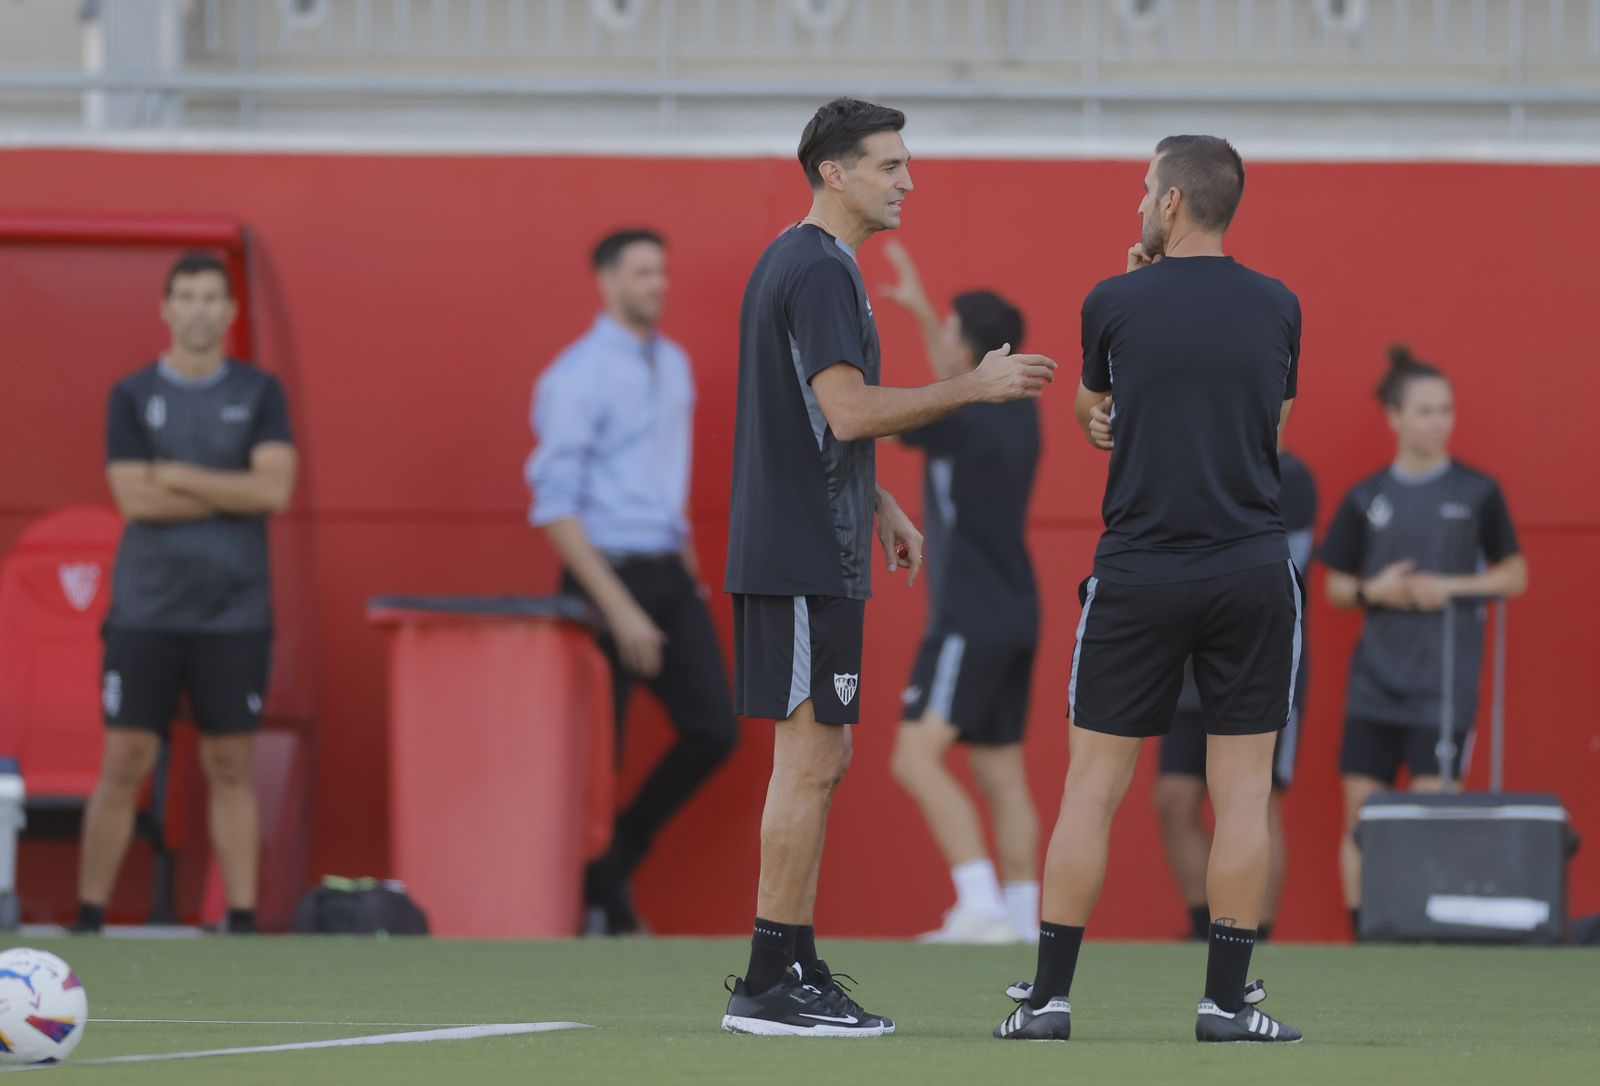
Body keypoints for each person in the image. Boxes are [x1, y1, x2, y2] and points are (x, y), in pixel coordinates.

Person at [719, 98, 1056, 1038]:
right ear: (835, 172)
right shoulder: (819, 269)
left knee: (825, 755)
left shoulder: (817, 266)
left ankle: (789, 960)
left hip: (814, 544)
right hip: (797, 555)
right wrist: (977, 384)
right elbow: (850, 412)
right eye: (890, 165)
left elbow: (815, 418)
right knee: (808, 758)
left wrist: (879, 503)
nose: (909, 180)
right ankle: (767, 982)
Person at [992, 136, 1304, 1044]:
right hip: (1248, 569)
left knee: (1092, 787)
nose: (1137, 202)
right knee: (1242, 793)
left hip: (1139, 572)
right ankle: (1227, 1005)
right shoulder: (1279, 304)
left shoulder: (1113, 299)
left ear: (1171, 204)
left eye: (1143, 189)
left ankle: (1047, 1002)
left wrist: (1129, 310)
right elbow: (1267, 431)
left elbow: (1102, 410)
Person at [526, 228, 739, 936]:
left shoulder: (673, 365)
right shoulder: (575, 376)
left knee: (715, 728)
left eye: (662, 273)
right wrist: (617, 612)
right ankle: (599, 903)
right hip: (600, 579)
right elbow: (554, 506)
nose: (658, 285)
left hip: (666, 573)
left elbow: (663, 488)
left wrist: (690, 578)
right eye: (643, 273)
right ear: (606, 280)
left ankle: (615, 862)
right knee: (596, 760)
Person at [79, 251, 297, 935]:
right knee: (124, 760)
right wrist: (220, 489)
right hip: (145, 609)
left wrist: (175, 474)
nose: (200, 310)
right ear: (166, 310)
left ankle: (239, 921)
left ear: (229, 313)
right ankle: (89, 920)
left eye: (212, 298)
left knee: (230, 762)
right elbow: (132, 497)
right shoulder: (131, 394)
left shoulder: (261, 393)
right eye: (187, 297)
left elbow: (274, 490)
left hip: (234, 612)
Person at [1320, 345, 1528, 936]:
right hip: (1374, 685)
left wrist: (1452, 588)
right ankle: (1366, 935)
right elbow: (1335, 585)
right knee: (1363, 823)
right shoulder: (1366, 498)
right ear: (1394, 417)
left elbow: (1515, 575)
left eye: (1446, 410)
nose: (1439, 421)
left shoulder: (1478, 492)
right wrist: (1375, 590)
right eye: (1426, 410)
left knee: (1434, 819)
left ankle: (1425, 935)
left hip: (1443, 688)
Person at [879, 240, 1043, 945]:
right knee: (998, 767)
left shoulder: (969, 421)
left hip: (970, 614)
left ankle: (979, 904)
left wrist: (921, 321)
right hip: (1017, 611)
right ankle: (1025, 919)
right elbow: (958, 386)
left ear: (970, 344)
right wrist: (923, 312)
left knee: (913, 757)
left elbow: (924, 406)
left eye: (948, 326)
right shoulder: (1019, 413)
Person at [1153, 447, 1316, 942]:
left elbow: (1275, 568)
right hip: (1186, 659)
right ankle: (1202, 926)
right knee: (1173, 798)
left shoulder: (1290, 475)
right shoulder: (1178, 465)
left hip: (1256, 653)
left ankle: (1253, 933)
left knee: (1252, 797)